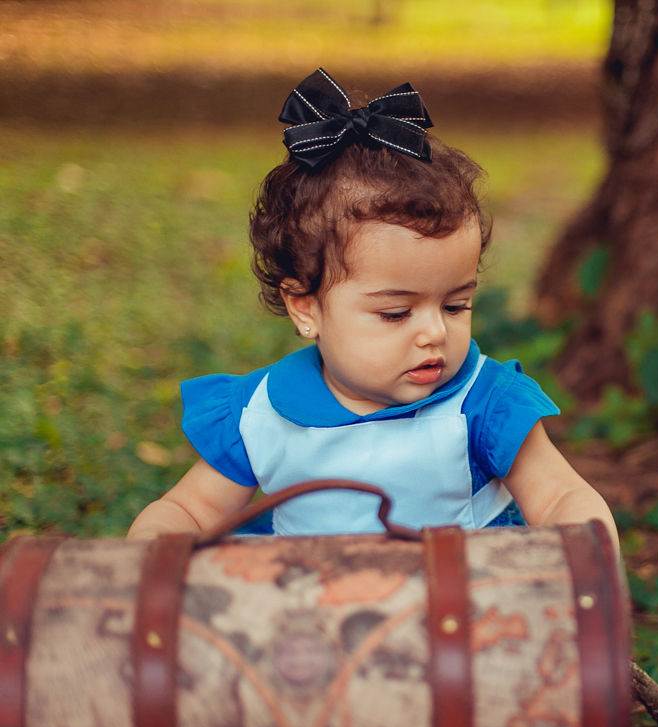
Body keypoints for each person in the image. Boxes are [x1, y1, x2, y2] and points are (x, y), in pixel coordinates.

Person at [127, 69, 616, 541]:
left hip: (460, 610)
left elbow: (560, 498)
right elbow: (189, 510)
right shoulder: (262, 413)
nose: (434, 333)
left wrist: (582, 550)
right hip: (307, 610)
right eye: (395, 314)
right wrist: (156, 549)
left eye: (455, 305)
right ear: (305, 308)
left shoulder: (482, 403)